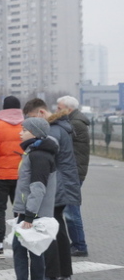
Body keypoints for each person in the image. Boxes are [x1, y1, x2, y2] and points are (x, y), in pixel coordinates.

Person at [23, 98, 80, 280]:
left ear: (40, 114)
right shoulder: (61, 127)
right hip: (64, 185)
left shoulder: (52, 131)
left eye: (31, 120)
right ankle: (64, 274)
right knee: (59, 229)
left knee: (49, 230)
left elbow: (46, 161)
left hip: (55, 186)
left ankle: (51, 275)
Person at [2, 117, 57, 280]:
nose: (20, 132)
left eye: (24, 130)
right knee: (33, 250)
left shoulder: (38, 155)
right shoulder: (35, 152)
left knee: (22, 248)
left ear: (34, 133)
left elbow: (38, 188)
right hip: (32, 211)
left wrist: (29, 216)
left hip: (33, 213)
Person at [0, 95, 24, 257]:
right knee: (21, 211)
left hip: (1, 175)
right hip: (22, 176)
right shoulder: (26, 125)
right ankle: (22, 243)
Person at [56, 96, 90, 257]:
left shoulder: (75, 124)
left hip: (73, 172)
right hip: (72, 171)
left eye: (59, 108)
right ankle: (76, 243)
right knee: (68, 209)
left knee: (71, 210)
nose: (56, 110)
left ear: (68, 109)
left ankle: (80, 245)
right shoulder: (74, 121)